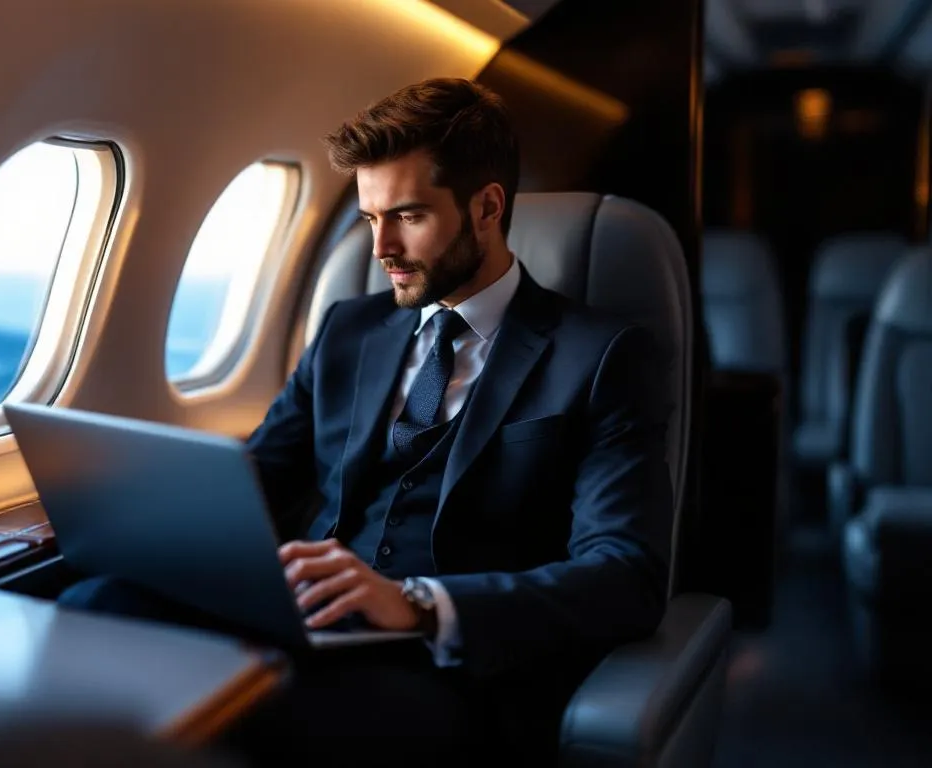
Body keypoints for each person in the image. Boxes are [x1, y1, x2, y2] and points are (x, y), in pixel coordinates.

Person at [60, 77, 673, 766]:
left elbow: (627, 576)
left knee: (238, 725)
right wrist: (127, 514)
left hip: (447, 668)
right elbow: (257, 479)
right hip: (302, 624)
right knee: (92, 606)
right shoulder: (348, 329)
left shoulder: (601, 355)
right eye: (369, 217)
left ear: (487, 207)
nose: (380, 248)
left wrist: (416, 603)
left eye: (407, 216)